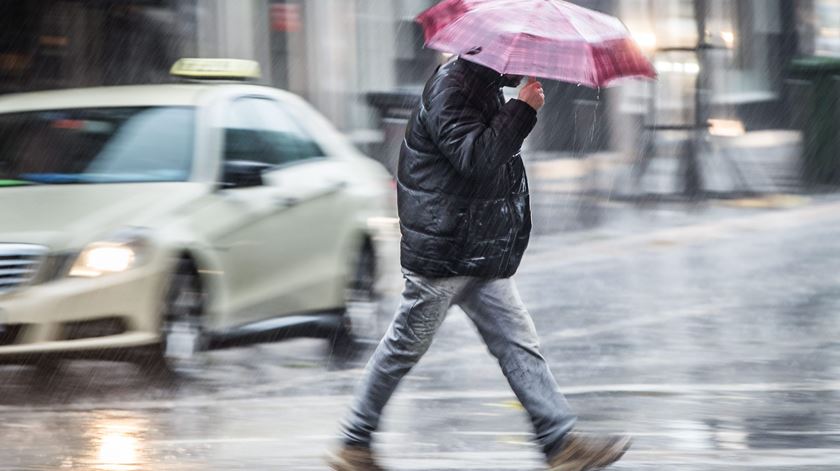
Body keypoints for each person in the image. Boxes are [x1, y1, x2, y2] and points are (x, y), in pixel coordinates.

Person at [328, 57, 630, 471]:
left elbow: (490, 161)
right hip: (443, 255)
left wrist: (516, 108)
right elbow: (475, 157)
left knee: (518, 344)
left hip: (475, 251)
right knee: (402, 348)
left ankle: (561, 444)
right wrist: (522, 109)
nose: (524, 64)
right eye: (519, 56)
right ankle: (353, 442)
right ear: (488, 50)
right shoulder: (452, 88)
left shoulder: (481, 86)